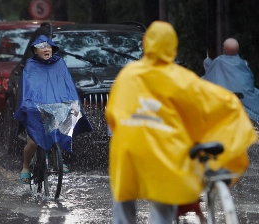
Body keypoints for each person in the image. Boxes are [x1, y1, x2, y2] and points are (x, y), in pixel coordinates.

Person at [105, 21, 257, 223]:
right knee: (162, 204)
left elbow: (113, 115)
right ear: (173, 47)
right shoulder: (182, 78)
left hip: (127, 151)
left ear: (145, 43)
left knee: (124, 200)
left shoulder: (128, 74)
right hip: (164, 151)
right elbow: (211, 106)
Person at [14, 35, 92, 184]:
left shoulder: (59, 63)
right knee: (33, 142)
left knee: (64, 124)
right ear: (35, 51)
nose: (46, 49)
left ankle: (57, 158)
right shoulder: (30, 65)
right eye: (42, 46)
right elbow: (28, 88)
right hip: (36, 107)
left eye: (49, 46)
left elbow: (67, 86)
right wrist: (28, 104)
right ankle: (25, 166)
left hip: (56, 106)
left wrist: (73, 102)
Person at [202, 37, 259, 122]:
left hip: (222, 99)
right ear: (238, 50)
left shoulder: (218, 61)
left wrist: (207, 62)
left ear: (224, 49)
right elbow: (249, 79)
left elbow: (210, 72)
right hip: (243, 99)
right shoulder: (242, 63)